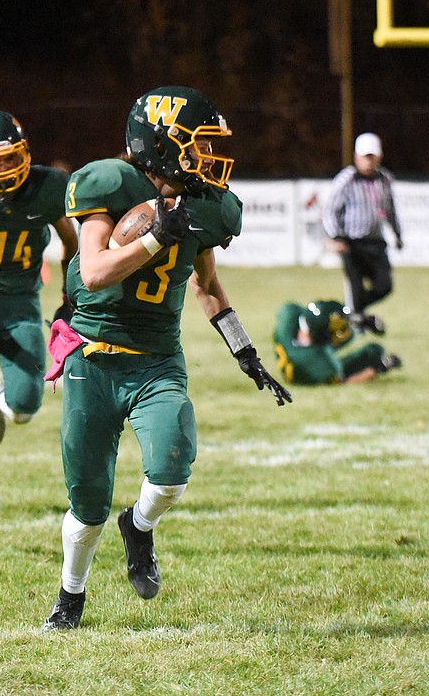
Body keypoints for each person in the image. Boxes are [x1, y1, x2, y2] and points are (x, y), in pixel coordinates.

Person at [41, 85, 292, 631]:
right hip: (93, 358)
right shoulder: (109, 183)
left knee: (172, 473)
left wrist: (244, 349)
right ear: (160, 144)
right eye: (199, 146)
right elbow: (95, 272)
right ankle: (71, 593)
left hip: (157, 359)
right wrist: (156, 236)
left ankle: (139, 524)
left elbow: (207, 286)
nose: (212, 159)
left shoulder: (205, 207)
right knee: (86, 505)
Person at [0, 110, 79, 517]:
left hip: (20, 303)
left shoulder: (46, 187)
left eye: (10, 158)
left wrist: (69, 296)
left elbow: (71, 241)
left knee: (24, 404)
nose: (4, 169)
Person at [322, 132, 403, 335]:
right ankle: (357, 323)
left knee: (384, 285)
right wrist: (336, 237)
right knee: (356, 287)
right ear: (356, 157)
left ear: (379, 157)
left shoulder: (385, 180)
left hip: (376, 242)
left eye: (372, 156)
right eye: (365, 156)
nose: (368, 161)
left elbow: (390, 210)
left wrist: (397, 234)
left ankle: (350, 314)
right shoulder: (346, 180)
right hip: (352, 243)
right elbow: (331, 210)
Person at [271, 299, 401, 385]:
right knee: (374, 352)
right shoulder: (319, 362)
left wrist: (360, 321)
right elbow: (343, 382)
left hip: (303, 353)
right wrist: (380, 368)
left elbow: (317, 316)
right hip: (307, 367)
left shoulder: (290, 316)